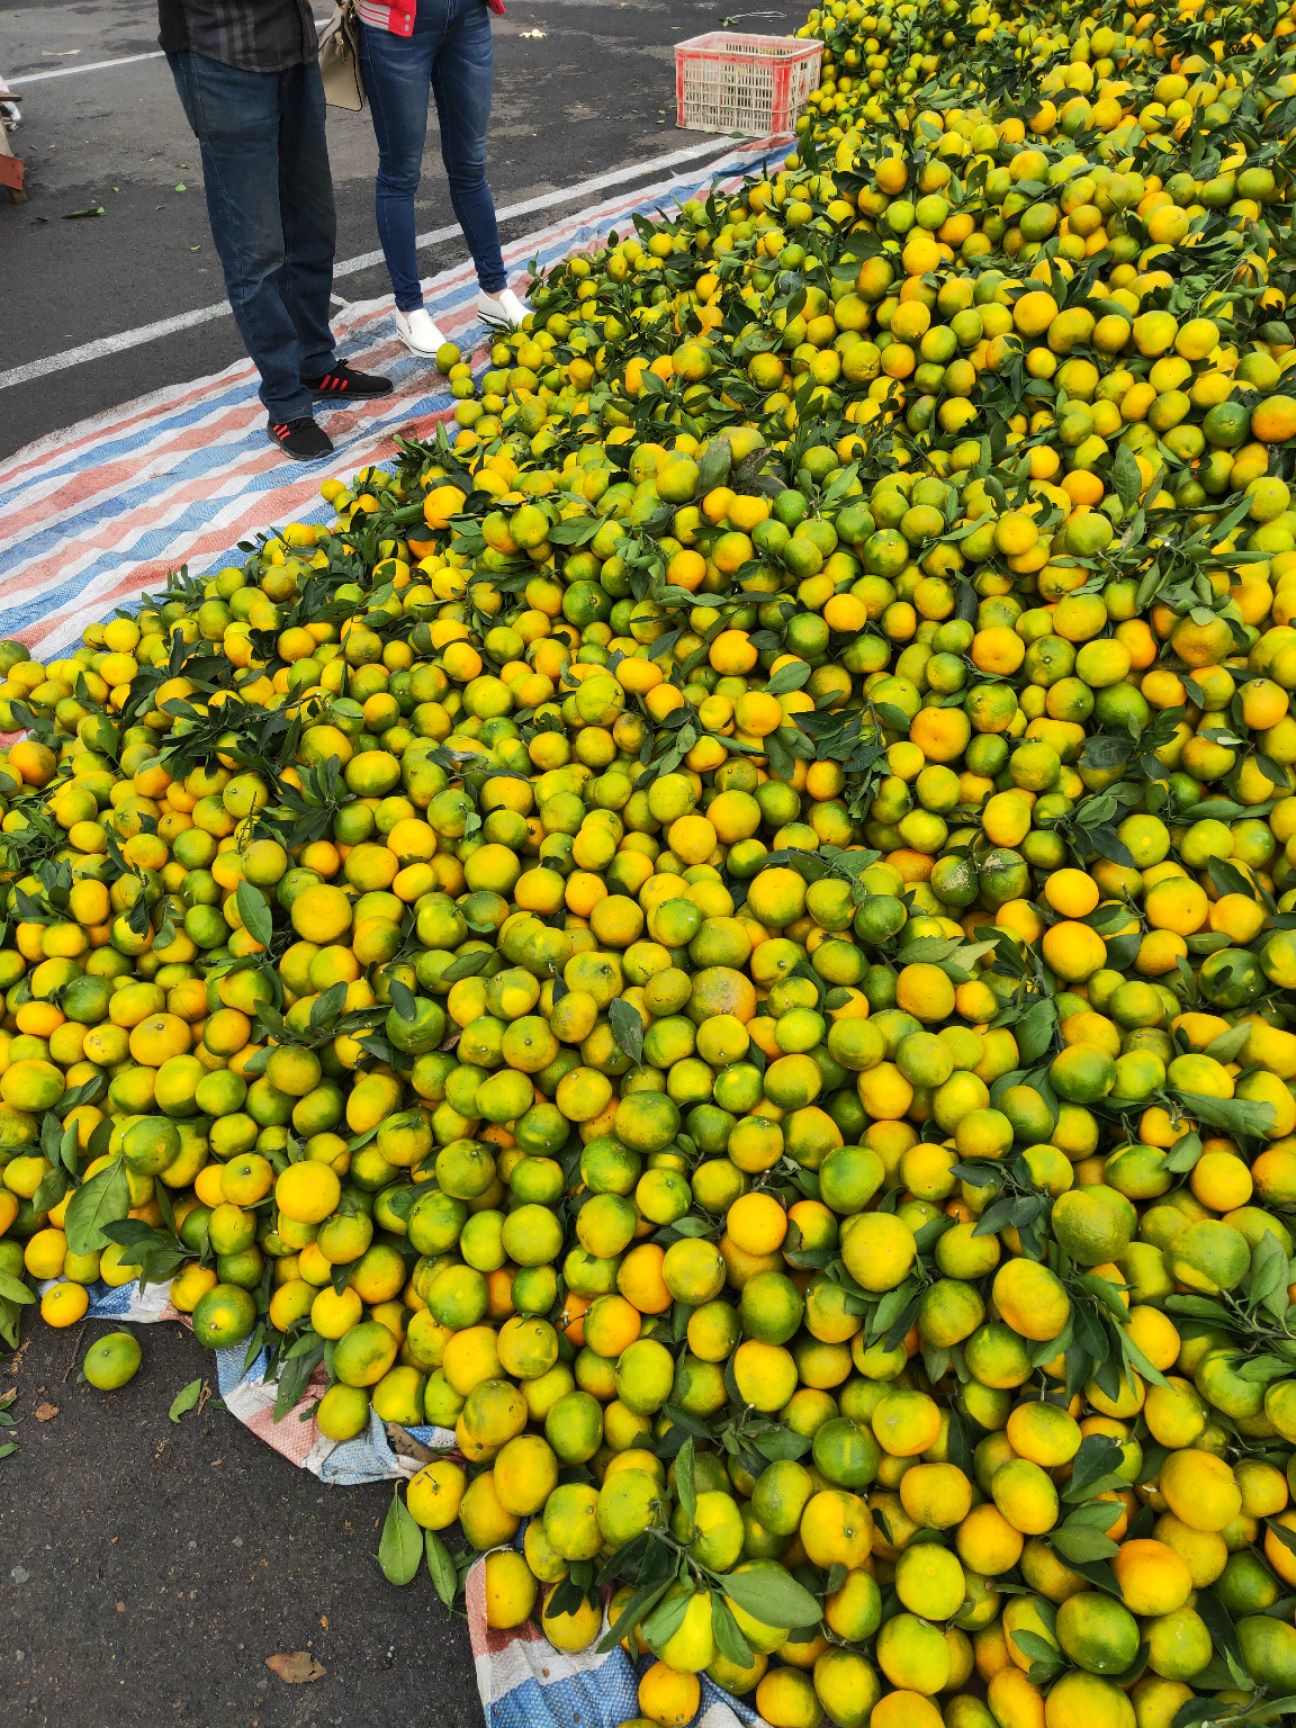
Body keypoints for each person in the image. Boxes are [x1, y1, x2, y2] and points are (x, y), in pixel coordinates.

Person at [157, 0, 393, 461]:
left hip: (294, 50)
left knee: (312, 224)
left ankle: (314, 364)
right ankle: (286, 402)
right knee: (255, 248)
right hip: (219, 52)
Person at [356, 0, 530, 356]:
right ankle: (409, 310)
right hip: (395, 21)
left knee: (471, 165)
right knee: (400, 173)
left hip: (467, 14)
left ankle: (495, 291)